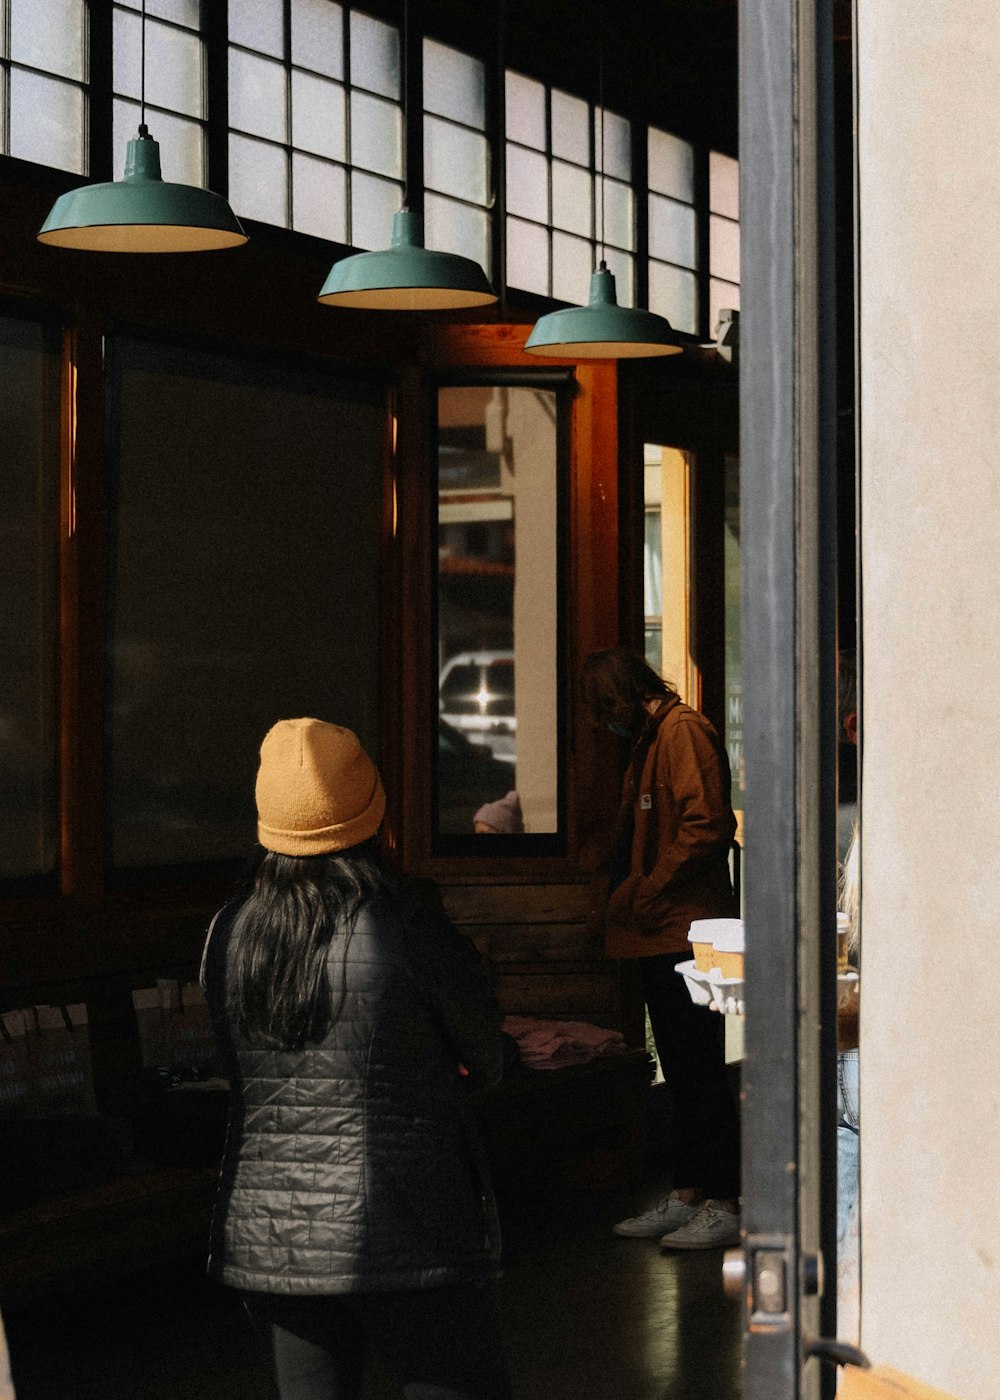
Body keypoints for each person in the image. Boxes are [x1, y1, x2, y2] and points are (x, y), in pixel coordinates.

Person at [201, 717, 511, 1400]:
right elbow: (485, 1056)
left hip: (272, 1238)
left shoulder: (227, 933)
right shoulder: (403, 921)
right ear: (374, 816)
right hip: (408, 1232)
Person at [581, 649, 742, 1251]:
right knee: (679, 1066)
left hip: (685, 927)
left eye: (603, 710)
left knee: (698, 1066)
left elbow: (707, 825)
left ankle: (726, 1196)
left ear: (619, 697)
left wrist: (649, 888)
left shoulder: (682, 733)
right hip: (658, 925)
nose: (603, 725)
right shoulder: (651, 738)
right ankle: (691, 1190)